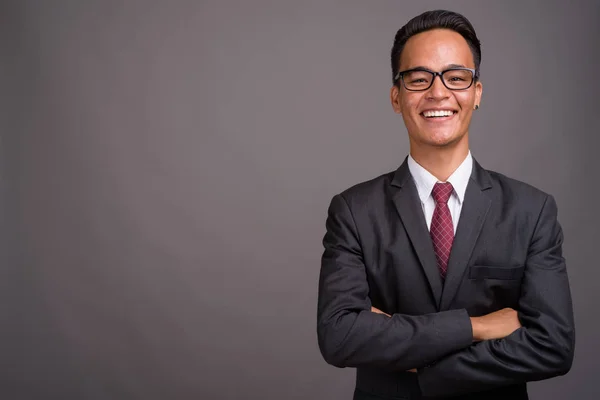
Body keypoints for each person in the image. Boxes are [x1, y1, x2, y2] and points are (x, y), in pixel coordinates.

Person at [316, 9, 575, 400]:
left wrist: (423, 364)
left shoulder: (531, 210)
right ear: (396, 97)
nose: (438, 93)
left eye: (456, 78)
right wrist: (477, 327)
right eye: (419, 79)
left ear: (477, 94)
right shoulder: (354, 211)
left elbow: (553, 345)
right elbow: (339, 336)